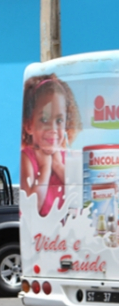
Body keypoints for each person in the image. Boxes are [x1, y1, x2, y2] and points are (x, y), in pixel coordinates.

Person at [21, 74, 82, 216]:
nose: (53, 129)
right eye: (44, 119)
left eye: (59, 120)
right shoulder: (27, 158)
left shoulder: (67, 157)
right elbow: (31, 209)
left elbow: (78, 196)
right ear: (29, 125)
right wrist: (45, 168)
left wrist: (58, 166)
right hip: (40, 235)